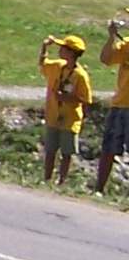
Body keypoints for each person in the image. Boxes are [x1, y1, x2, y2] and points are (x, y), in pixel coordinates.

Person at [39, 33, 96, 186]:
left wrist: (66, 98)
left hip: (70, 120)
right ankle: (47, 179)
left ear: (72, 53)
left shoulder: (80, 75)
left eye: (63, 48)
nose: (60, 50)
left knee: (66, 153)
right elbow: (43, 65)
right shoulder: (57, 66)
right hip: (53, 115)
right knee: (50, 150)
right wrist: (44, 47)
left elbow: (86, 99)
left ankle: (62, 181)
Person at [97, 16, 129, 195]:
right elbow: (105, 59)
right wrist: (111, 37)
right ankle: (99, 188)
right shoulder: (126, 45)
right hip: (120, 104)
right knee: (108, 148)